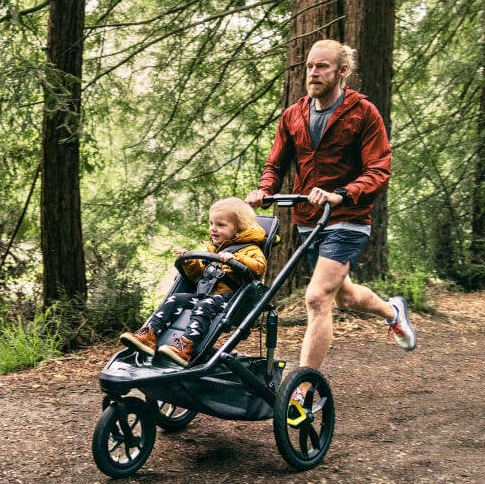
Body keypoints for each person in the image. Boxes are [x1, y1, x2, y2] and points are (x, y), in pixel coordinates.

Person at [245, 39, 417, 376]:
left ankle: (304, 388)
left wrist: (343, 193)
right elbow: (275, 165)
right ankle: (393, 312)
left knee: (316, 297)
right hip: (310, 218)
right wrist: (265, 190)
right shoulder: (293, 115)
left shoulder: (363, 112)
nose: (313, 72)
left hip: (348, 216)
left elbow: (379, 169)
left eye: (321, 66)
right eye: (309, 66)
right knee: (345, 296)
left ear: (342, 71)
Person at [120, 197, 267, 367]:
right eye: (211, 223)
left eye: (221, 225)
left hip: (229, 298)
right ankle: (148, 335)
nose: (213, 229)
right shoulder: (213, 248)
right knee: (175, 299)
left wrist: (236, 259)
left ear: (239, 228)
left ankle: (185, 347)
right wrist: (190, 261)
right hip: (205, 295)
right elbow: (201, 276)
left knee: (204, 306)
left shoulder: (251, 248)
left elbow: (259, 267)